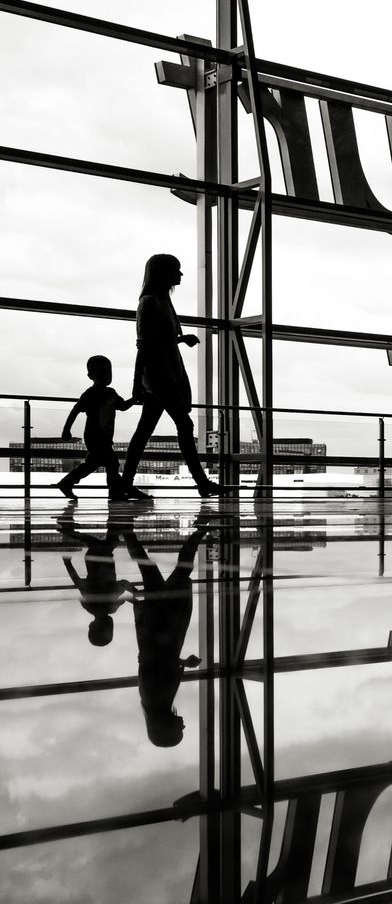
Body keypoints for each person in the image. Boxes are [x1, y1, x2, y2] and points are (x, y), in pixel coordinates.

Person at [121, 254, 232, 500]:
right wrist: (137, 383)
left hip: (167, 373)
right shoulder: (150, 303)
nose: (180, 275)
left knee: (144, 430)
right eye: (176, 270)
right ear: (162, 273)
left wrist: (181, 339)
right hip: (161, 376)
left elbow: (155, 341)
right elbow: (144, 347)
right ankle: (202, 483)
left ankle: (125, 482)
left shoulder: (161, 302)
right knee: (184, 424)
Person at [121, 513, 213, 747]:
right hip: (157, 621)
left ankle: (201, 529)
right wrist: (182, 662)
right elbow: (153, 662)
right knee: (149, 568)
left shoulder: (158, 699)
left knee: (178, 571)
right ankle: (126, 531)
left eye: (178, 730)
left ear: (166, 727)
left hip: (165, 621)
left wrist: (182, 661)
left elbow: (156, 660)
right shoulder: (153, 701)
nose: (183, 725)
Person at [57, 355, 136, 501]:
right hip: (95, 436)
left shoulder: (110, 392)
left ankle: (66, 483)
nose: (106, 376)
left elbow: (123, 406)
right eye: (102, 373)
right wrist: (66, 429)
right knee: (112, 463)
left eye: (108, 373)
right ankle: (115, 492)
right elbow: (75, 410)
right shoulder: (91, 394)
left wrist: (134, 399)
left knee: (92, 464)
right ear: (90, 376)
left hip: (101, 437)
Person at [55, 506, 130, 646]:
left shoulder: (110, 607)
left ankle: (67, 529)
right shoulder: (92, 606)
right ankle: (67, 528)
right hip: (94, 561)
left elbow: (123, 585)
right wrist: (67, 564)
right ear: (91, 627)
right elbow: (78, 582)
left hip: (102, 560)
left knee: (108, 542)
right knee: (106, 541)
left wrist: (133, 593)